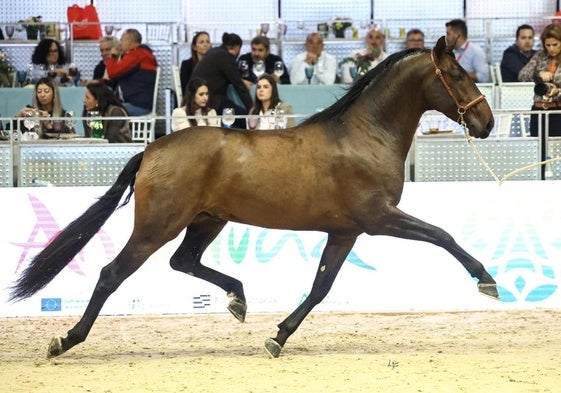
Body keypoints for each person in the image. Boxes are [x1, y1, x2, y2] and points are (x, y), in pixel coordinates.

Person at [190, 32, 253, 127]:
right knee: (247, 119)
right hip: (212, 101)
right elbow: (239, 87)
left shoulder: (214, 52)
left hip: (197, 99)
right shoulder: (226, 58)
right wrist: (253, 110)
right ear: (237, 48)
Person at [519, 23, 561, 138]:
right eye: (547, 45)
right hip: (538, 109)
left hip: (558, 111)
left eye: (555, 44)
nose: (551, 48)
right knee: (537, 149)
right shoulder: (540, 55)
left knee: (557, 150)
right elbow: (522, 75)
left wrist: (558, 91)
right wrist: (538, 75)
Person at [104, 28, 158, 116]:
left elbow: (112, 73)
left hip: (137, 106)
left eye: (122, 40)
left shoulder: (136, 56)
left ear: (130, 42)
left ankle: (97, 130)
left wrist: (113, 56)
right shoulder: (144, 54)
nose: (119, 43)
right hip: (141, 104)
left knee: (102, 110)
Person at [179, 31, 212, 96]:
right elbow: (185, 87)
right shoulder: (187, 65)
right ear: (194, 47)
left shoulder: (214, 64)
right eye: (201, 42)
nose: (205, 44)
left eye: (208, 42)